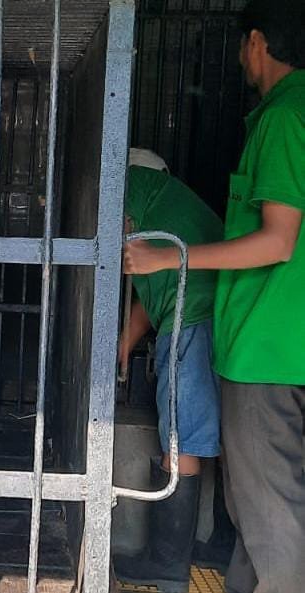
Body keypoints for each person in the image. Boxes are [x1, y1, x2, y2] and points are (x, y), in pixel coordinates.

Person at [124, 1, 305, 591]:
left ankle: (170, 562)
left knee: (267, 510)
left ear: (256, 42)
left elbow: (278, 241)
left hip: (266, 346)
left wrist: (167, 256)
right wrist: (127, 341)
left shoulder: (285, 119)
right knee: (265, 510)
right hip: (278, 341)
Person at [113, 149, 224, 593]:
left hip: (192, 318)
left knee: (181, 435)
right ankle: (206, 549)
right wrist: (124, 344)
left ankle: (166, 563)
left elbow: (105, 241)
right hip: (206, 314)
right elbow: (150, 295)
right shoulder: (167, 209)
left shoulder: (132, 181)